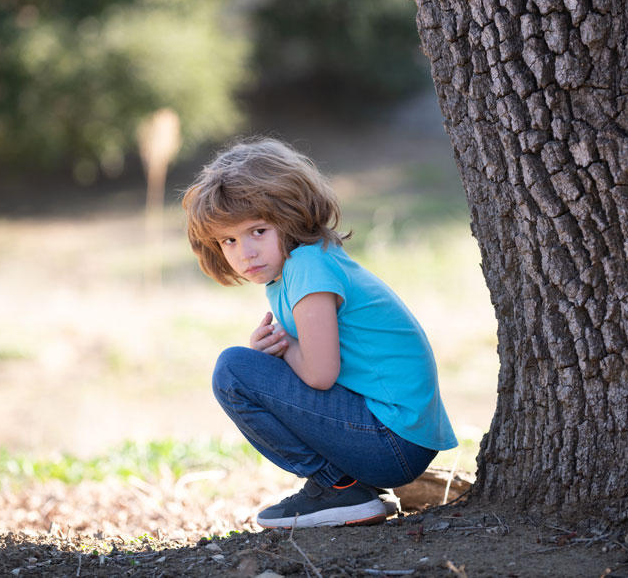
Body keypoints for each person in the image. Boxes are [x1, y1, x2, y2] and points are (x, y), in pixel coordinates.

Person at [181, 137, 456, 529]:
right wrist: (279, 353)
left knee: (232, 371)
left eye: (258, 230)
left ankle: (338, 488)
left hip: (393, 440)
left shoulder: (307, 267)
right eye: (229, 240)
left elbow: (320, 374)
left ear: (290, 216)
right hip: (398, 436)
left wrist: (282, 350)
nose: (245, 252)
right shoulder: (301, 267)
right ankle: (350, 489)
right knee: (243, 368)